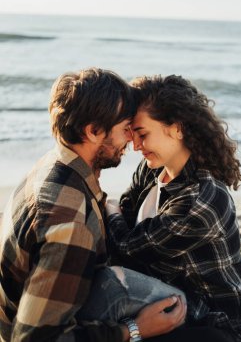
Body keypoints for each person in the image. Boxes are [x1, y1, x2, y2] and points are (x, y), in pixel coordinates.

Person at [0, 68, 187, 342]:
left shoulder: (55, 165)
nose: (132, 142)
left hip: (23, 311)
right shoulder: (71, 224)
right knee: (178, 305)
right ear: (93, 131)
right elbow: (34, 338)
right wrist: (133, 330)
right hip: (33, 329)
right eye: (125, 130)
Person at [105, 74, 241, 342]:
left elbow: (125, 246)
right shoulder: (152, 169)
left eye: (143, 134)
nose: (135, 146)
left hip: (212, 324)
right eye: (131, 134)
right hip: (169, 298)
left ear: (177, 128)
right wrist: (117, 212)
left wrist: (109, 207)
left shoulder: (201, 199)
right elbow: (126, 212)